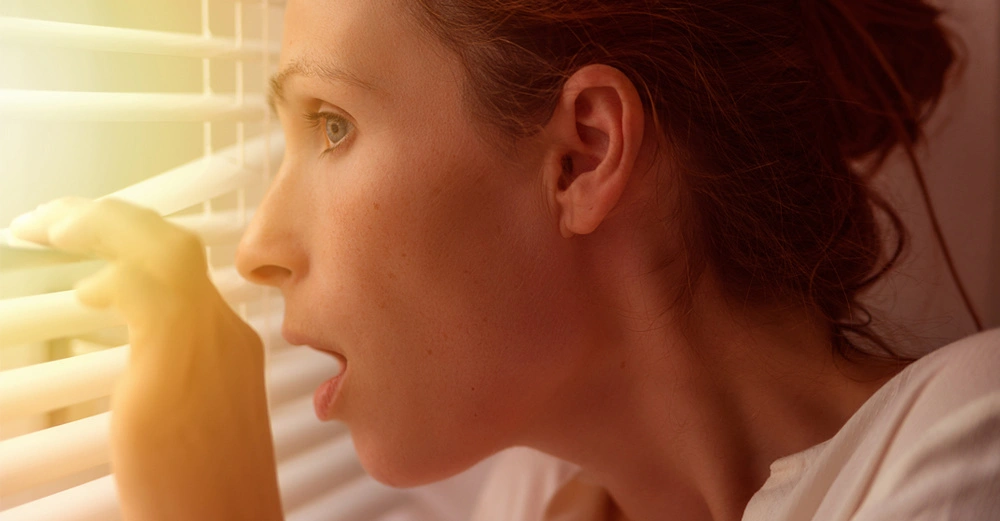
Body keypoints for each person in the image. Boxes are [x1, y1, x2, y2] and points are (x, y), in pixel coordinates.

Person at [8, 0, 999, 520]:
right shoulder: (531, 500)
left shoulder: (966, 454)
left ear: (582, 155)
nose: (260, 248)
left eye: (334, 123)